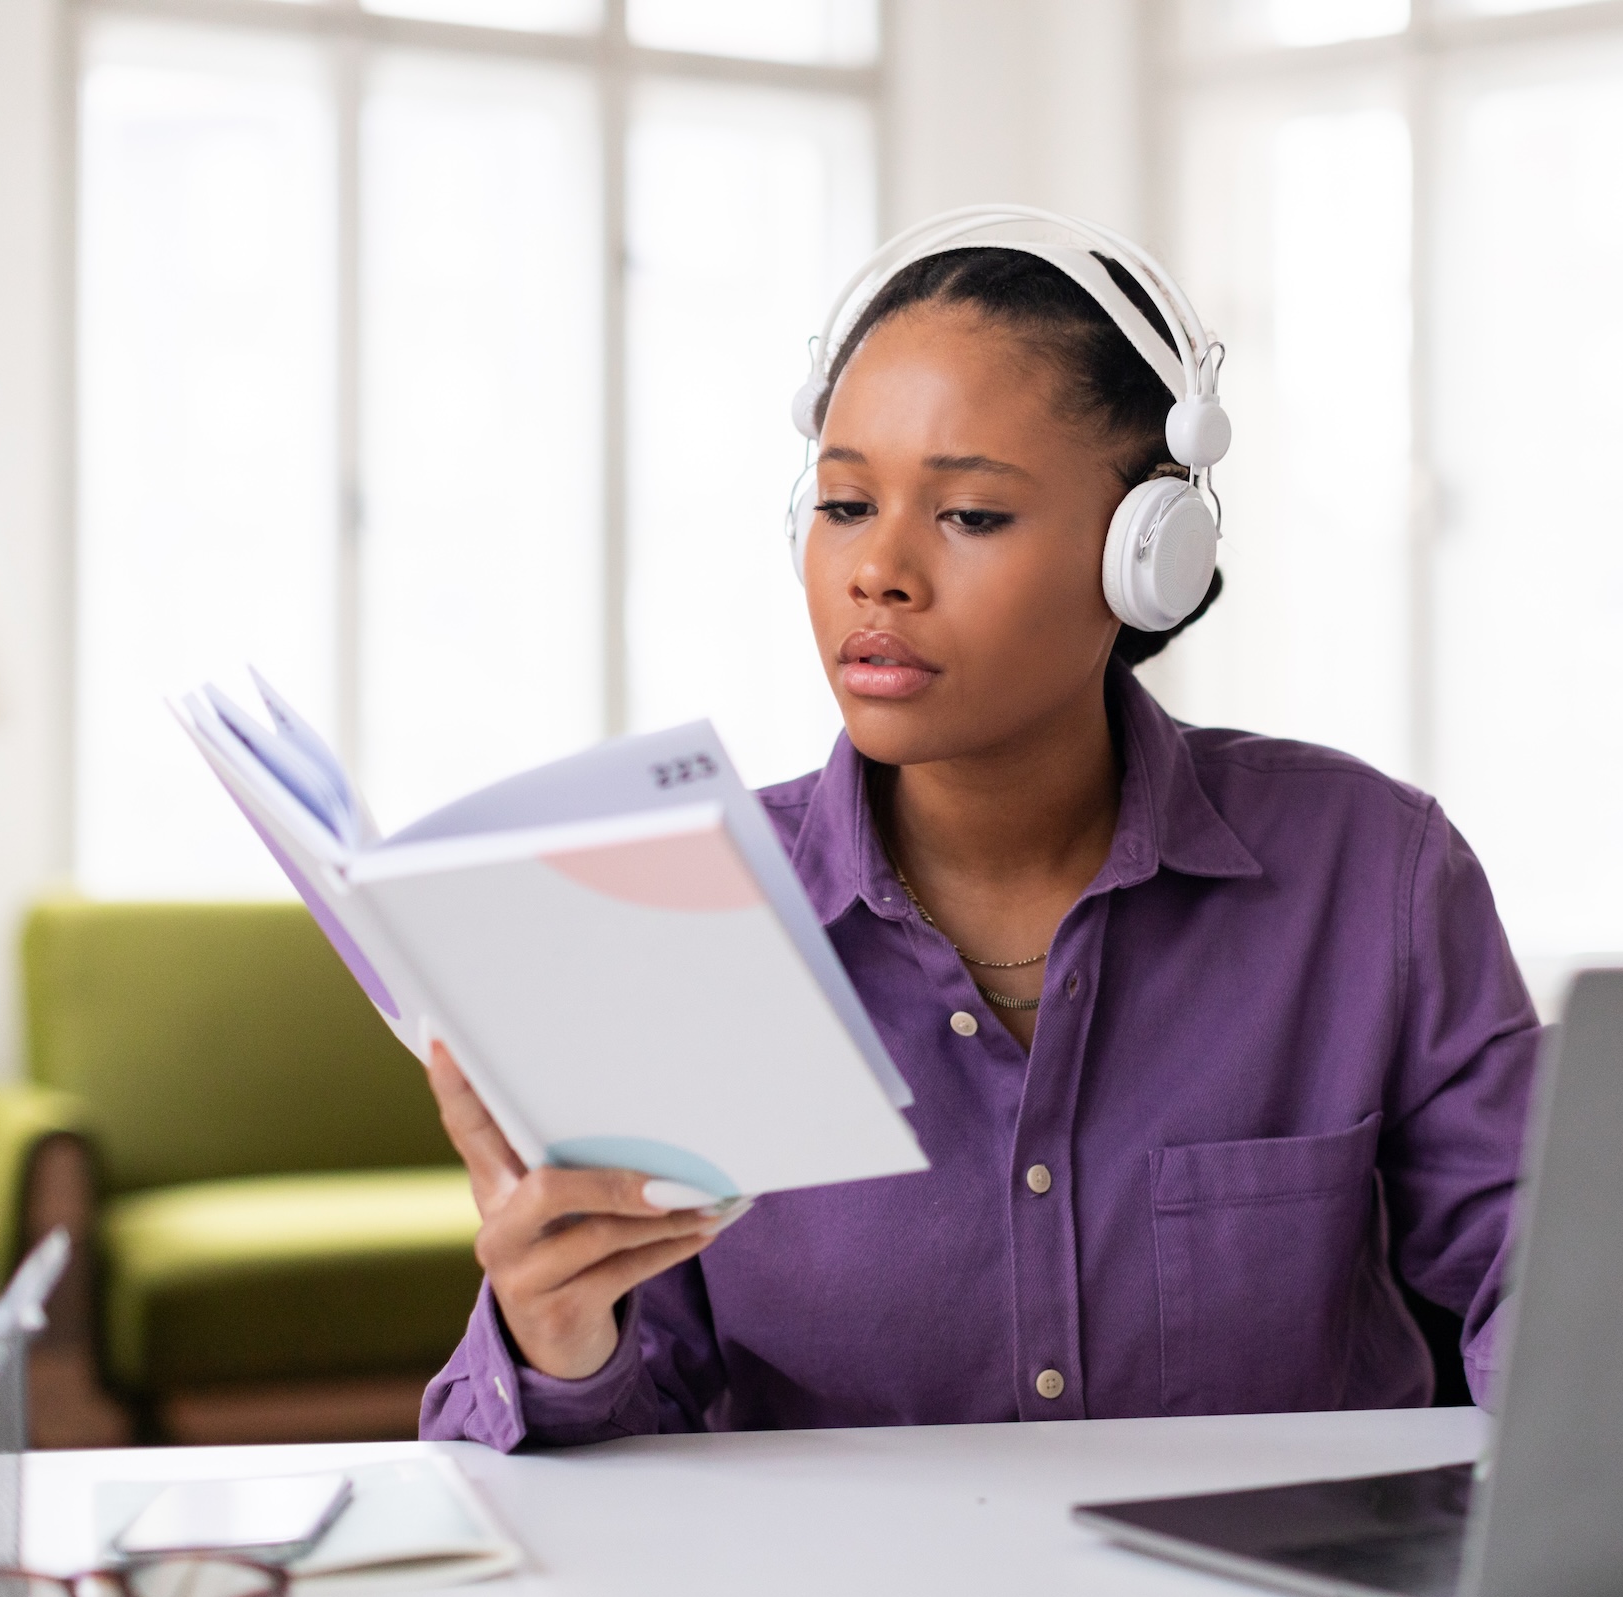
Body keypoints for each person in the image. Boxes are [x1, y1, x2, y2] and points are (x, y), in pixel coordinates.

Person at [419, 212, 1541, 1448]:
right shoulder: (680, 918)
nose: (879, 571)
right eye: (846, 502)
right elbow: (609, 1444)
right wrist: (558, 1342)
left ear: (1147, 556)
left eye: (969, 515)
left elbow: (1550, 1287)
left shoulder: (1369, 872)